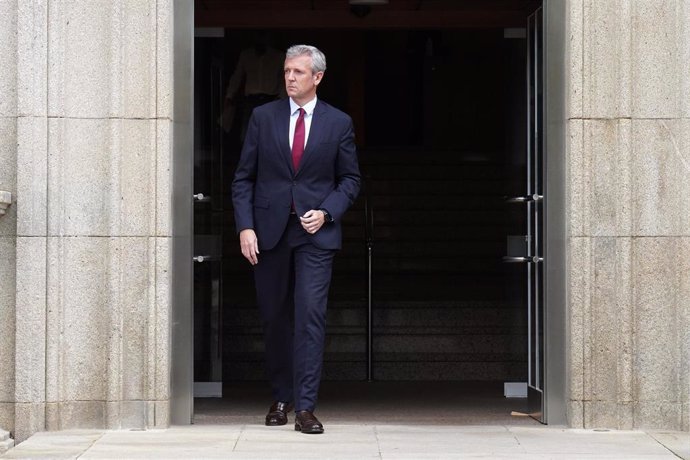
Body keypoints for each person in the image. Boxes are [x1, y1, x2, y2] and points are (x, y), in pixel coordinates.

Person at [232, 45, 361, 434]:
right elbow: (243, 178)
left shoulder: (338, 123)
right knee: (274, 317)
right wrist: (245, 226)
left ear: (317, 77)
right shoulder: (262, 117)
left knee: (310, 317)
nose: (289, 78)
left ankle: (305, 407)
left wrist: (327, 211)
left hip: (315, 234)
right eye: (287, 71)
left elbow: (351, 180)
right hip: (268, 232)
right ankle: (281, 397)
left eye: (298, 72)